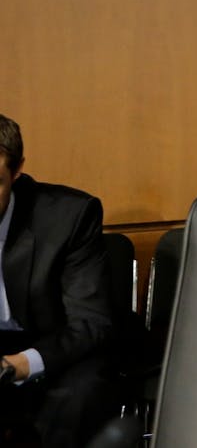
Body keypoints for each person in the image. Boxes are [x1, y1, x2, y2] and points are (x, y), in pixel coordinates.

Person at [0, 114, 114, 447]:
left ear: (18, 169)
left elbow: (91, 323)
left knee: (80, 395)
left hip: (58, 346)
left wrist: (18, 365)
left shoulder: (69, 217)